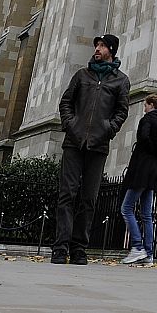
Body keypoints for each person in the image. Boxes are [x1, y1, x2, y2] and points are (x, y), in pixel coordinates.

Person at [50, 33, 129, 265]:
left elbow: (121, 111)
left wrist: (108, 129)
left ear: (111, 50)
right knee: (67, 194)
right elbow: (66, 102)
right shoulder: (82, 75)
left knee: (89, 199)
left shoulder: (121, 81)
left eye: (102, 46)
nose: (97, 49)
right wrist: (70, 124)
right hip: (74, 143)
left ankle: (79, 248)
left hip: (99, 145)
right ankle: (60, 247)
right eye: (97, 45)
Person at [120, 93, 157, 266]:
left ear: (151, 105)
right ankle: (149, 254)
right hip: (153, 168)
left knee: (126, 208)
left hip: (141, 168)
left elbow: (143, 138)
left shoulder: (147, 120)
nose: (144, 108)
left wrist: (145, 146)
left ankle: (137, 246)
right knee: (146, 214)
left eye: (145, 105)